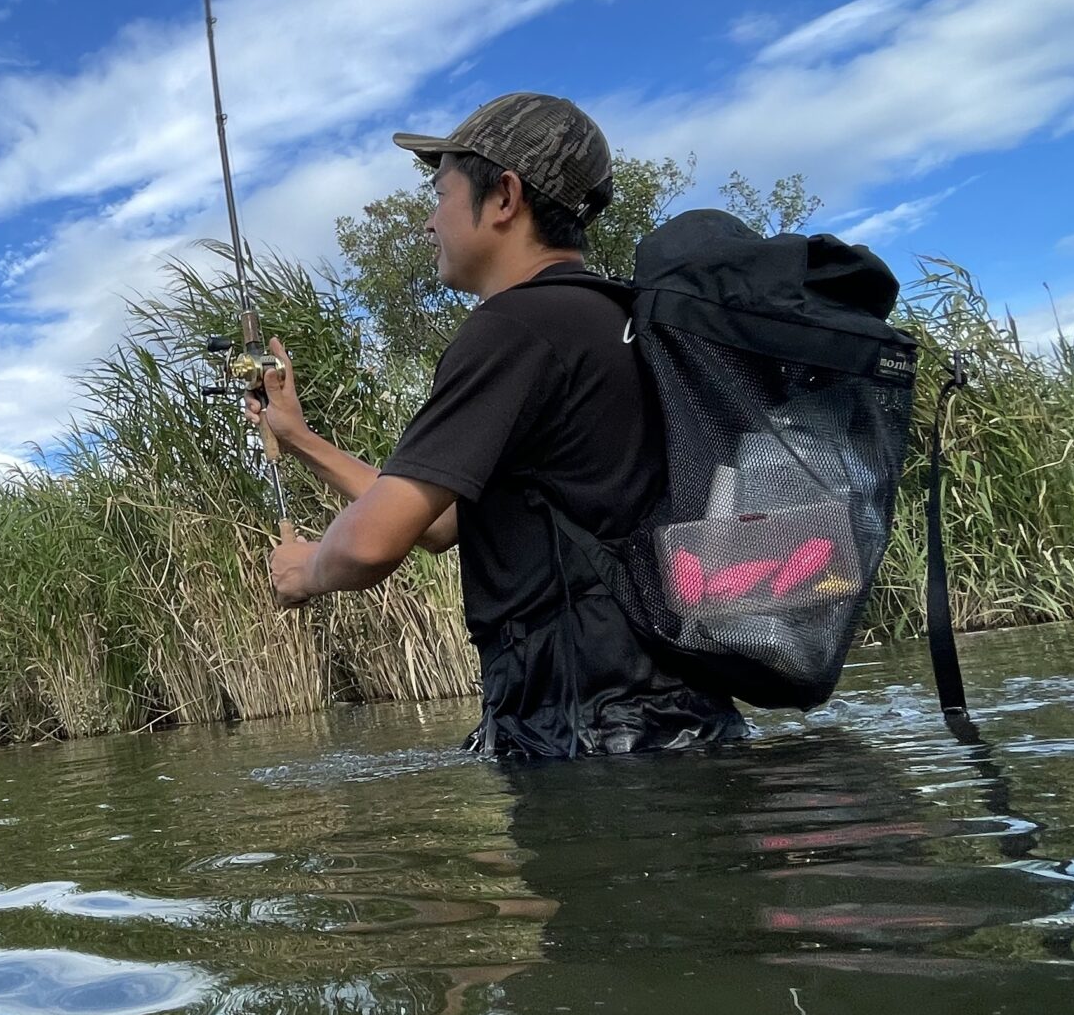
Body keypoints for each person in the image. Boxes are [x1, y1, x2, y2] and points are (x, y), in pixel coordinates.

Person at [253, 92, 743, 758]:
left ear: (505, 196)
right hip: (679, 717)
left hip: (588, 731)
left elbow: (372, 544)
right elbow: (437, 522)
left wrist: (306, 569)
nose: (430, 222)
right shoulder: (609, 320)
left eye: (441, 193)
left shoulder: (514, 328)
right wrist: (300, 437)